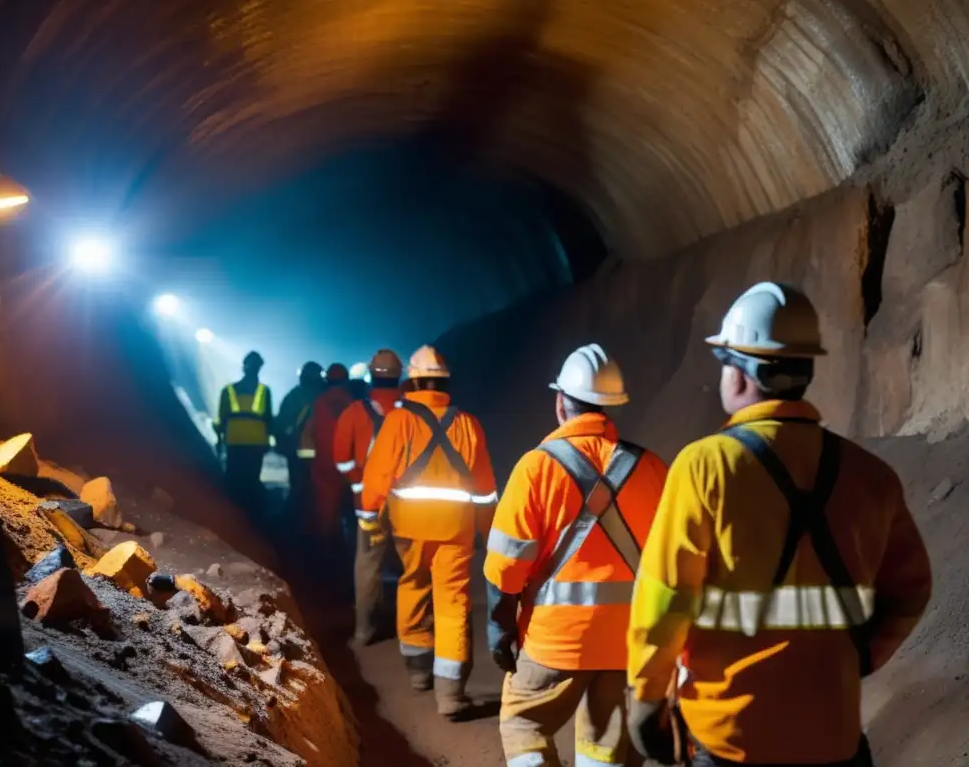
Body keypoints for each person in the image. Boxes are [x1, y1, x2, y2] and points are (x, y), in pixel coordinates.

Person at [627, 282, 933, 767]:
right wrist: (862, 658)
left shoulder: (705, 467)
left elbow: (664, 597)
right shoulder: (872, 476)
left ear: (744, 374)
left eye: (727, 359)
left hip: (730, 737)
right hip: (834, 738)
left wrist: (645, 697)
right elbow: (912, 589)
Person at [484, 344, 666, 767]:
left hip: (554, 642)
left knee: (523, 724)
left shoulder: (535, 468)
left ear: (560, 403)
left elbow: (504, 567)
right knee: (607, 742)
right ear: (611, 410)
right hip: (628, 641)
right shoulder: (653, 468)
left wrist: (500, 629)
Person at [362, 345, 498, 719]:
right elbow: (485, 489)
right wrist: (488, 532)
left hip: (410, 527)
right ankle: (451, 694)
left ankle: (419, 672)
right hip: (457, 528)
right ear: (445, 381)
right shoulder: (468, 424)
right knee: (454, 602)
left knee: (413, 586)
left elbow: (376, 476)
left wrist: (369, 515)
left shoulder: (398, 421)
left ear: (413, 380)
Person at [334, 349, 404, 645]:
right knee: (412, 567)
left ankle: (364, 630)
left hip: (368, 506)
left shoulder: (354, 412)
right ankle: (415, 631)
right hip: (406, 503)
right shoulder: (412, 410)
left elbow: (341, 458)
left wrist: (357, 485)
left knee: (367, 565)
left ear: (371, 375)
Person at [214, 351, 273, 515]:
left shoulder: (229, 390)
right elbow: (268, 419)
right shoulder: (264, 391)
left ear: (244, 367)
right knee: (251, 482)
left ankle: (233, 515)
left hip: (235, 443)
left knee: (234, 482)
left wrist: (220, 438)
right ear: (259, 368)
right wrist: (269, 440)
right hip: (255, 444)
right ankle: (250, 517)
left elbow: (221, 418)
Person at [310, 362, 354, 554]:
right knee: (349, 507)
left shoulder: (319, 402)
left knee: (325, 506)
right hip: (348, 463)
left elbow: (310, 431)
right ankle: (346, 546)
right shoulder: (353, 403)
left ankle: (325, 549)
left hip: (323, 462)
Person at [276, 361, 325, 520]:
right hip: (321, 453)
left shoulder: (293, 396)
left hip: (296, 451)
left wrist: (283, 445)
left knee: (298, 488)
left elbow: (281, 423)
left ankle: (295, 520)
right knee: (317, 490)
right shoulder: (324, 396)